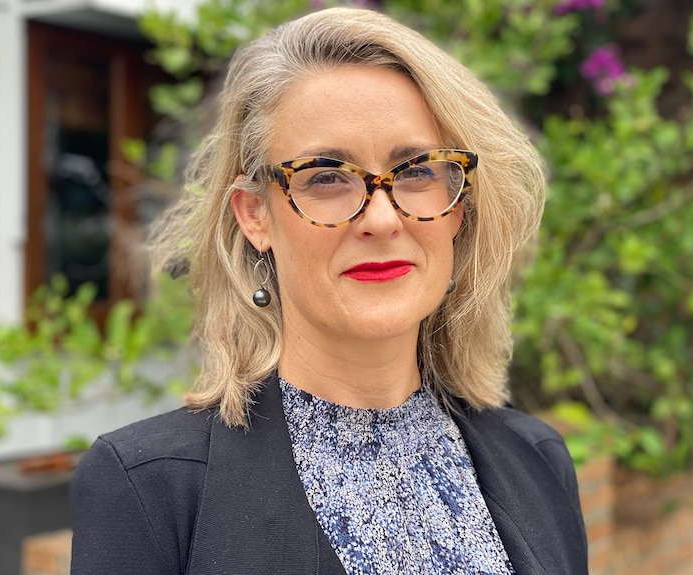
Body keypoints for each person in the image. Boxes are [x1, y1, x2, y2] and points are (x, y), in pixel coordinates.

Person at [70, 6, 588, 575]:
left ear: (458, 207)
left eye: (417, 171)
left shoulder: (538, 460)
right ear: (255, 215)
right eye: (325, 177)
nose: (383, 220)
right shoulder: (149, 485)